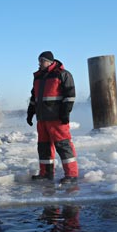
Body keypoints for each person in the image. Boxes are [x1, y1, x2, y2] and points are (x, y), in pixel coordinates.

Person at [26, 50, 79, 184]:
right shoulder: (38, 77)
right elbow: (34, 97)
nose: (40, 63)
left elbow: (70, 95)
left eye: (42, 60)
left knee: (63, 145)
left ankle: (71, 174)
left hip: (57, 118)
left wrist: (65, 113)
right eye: (39, 60)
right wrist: (30, 112)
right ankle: (46, 173)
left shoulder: (62, 75)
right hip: (42, 119)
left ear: (50, 61)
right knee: (43, 147)